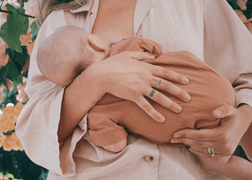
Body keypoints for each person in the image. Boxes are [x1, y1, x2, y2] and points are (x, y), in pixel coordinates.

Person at [16, 0, 252, 179]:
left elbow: (247, 73)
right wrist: (98, 79)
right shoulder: (60, 21)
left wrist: (241, 121)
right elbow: (36, 131)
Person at [36, 25, 234, 152]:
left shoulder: (97, 113)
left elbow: (116, 145)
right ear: (94, 42)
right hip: (220, 87)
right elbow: (156, 49)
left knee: (219, 162)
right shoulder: (127, 48)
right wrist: (120, 44)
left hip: (201, 130)